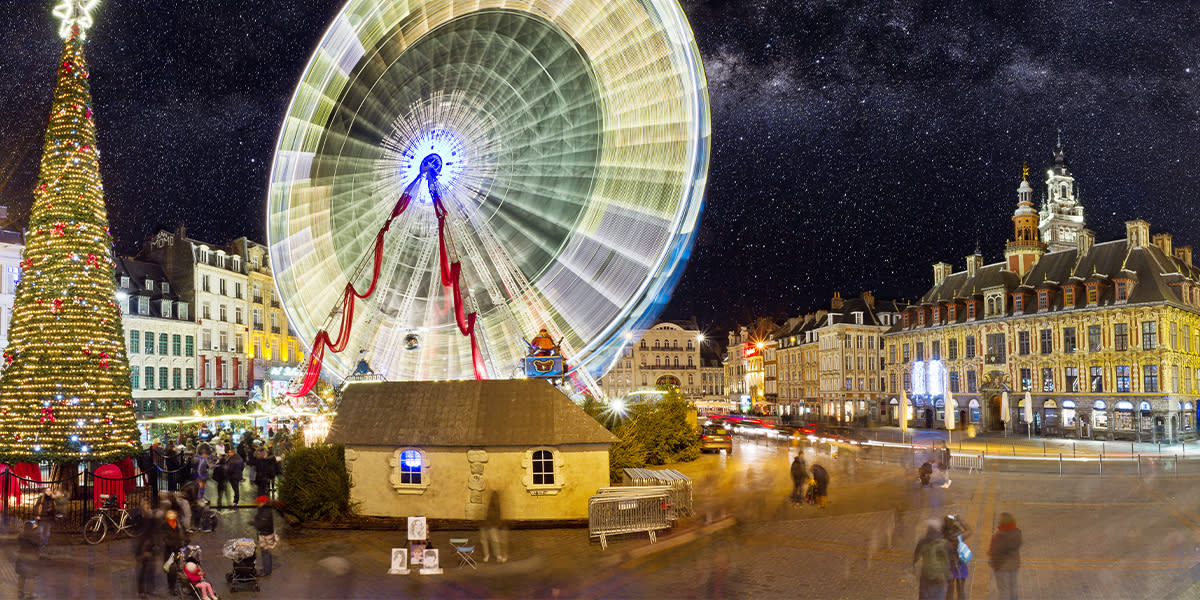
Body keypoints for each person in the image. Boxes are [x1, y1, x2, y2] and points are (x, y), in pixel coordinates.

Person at [913, 520, 953, 600]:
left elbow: (915, 559)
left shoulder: (922, 542)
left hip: (926, 578)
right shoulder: (946, 543)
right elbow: (950, 562)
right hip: (940, 580)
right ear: (939, 529)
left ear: (928, 529)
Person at [988, 512, 1023, 600]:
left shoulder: (999, 536)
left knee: (1003, 589)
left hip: (1002, 566)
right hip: (1015, 564)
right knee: (1013, 586)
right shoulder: (1017, 533)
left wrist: (993, 563)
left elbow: (994, 552)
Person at [942, 514, 972, 600]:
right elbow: (969, 531)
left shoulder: (942, 536)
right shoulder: (959, 536)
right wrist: (960, 520)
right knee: (961, 591)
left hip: (948, 567)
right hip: (960, 566)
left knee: (949, 591)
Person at [160, 510, 190, 596]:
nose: (171, 515)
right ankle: (172, 587)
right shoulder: (164, 525)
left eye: (173, 513)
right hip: (170, 552)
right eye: (169, 513)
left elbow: (186, 535)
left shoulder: (179, 525)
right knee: (172, 569)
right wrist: (174, 543)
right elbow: (164, 539)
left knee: (183, 567)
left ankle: (185, 584)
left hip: (180, 550)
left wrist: (185, 542)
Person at [134, 499, 159, 599]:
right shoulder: (140, 518)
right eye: (143, 505)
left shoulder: (151, 517)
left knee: (151, 569)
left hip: (150, 545)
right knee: (143, 569)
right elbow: (139, 534)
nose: (145, 506)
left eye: (146, 504)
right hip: (142, 547)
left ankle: (149, 589)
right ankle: (142, 591)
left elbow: (154, 531)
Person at [15, 520, 41, 600]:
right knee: (31, 577)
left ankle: (19, 593)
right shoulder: (35, 535)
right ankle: (29, 595)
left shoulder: (21, 535)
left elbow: (18, 542)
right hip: (32, 557)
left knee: (22, 576)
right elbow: (38, 544)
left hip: (22, 556)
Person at [479, 490, 508, 563]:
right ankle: (495, 556)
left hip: (489, 524)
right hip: (489, 524)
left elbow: (494, 514)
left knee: (491, 540)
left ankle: (493, 555)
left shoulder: (493, 505)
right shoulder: (495, 505)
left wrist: (494, 524)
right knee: (492, 540)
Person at [253, 496, 278, 576]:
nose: (258, 504)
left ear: (263, 502)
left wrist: (254, 523)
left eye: (259, 502)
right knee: (266, 552)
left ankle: (267, 571)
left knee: (265, 553)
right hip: (265, 533)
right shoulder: (264, 509)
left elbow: (262, 524)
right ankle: (267, 569)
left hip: (266, 535)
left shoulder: (265, 512)